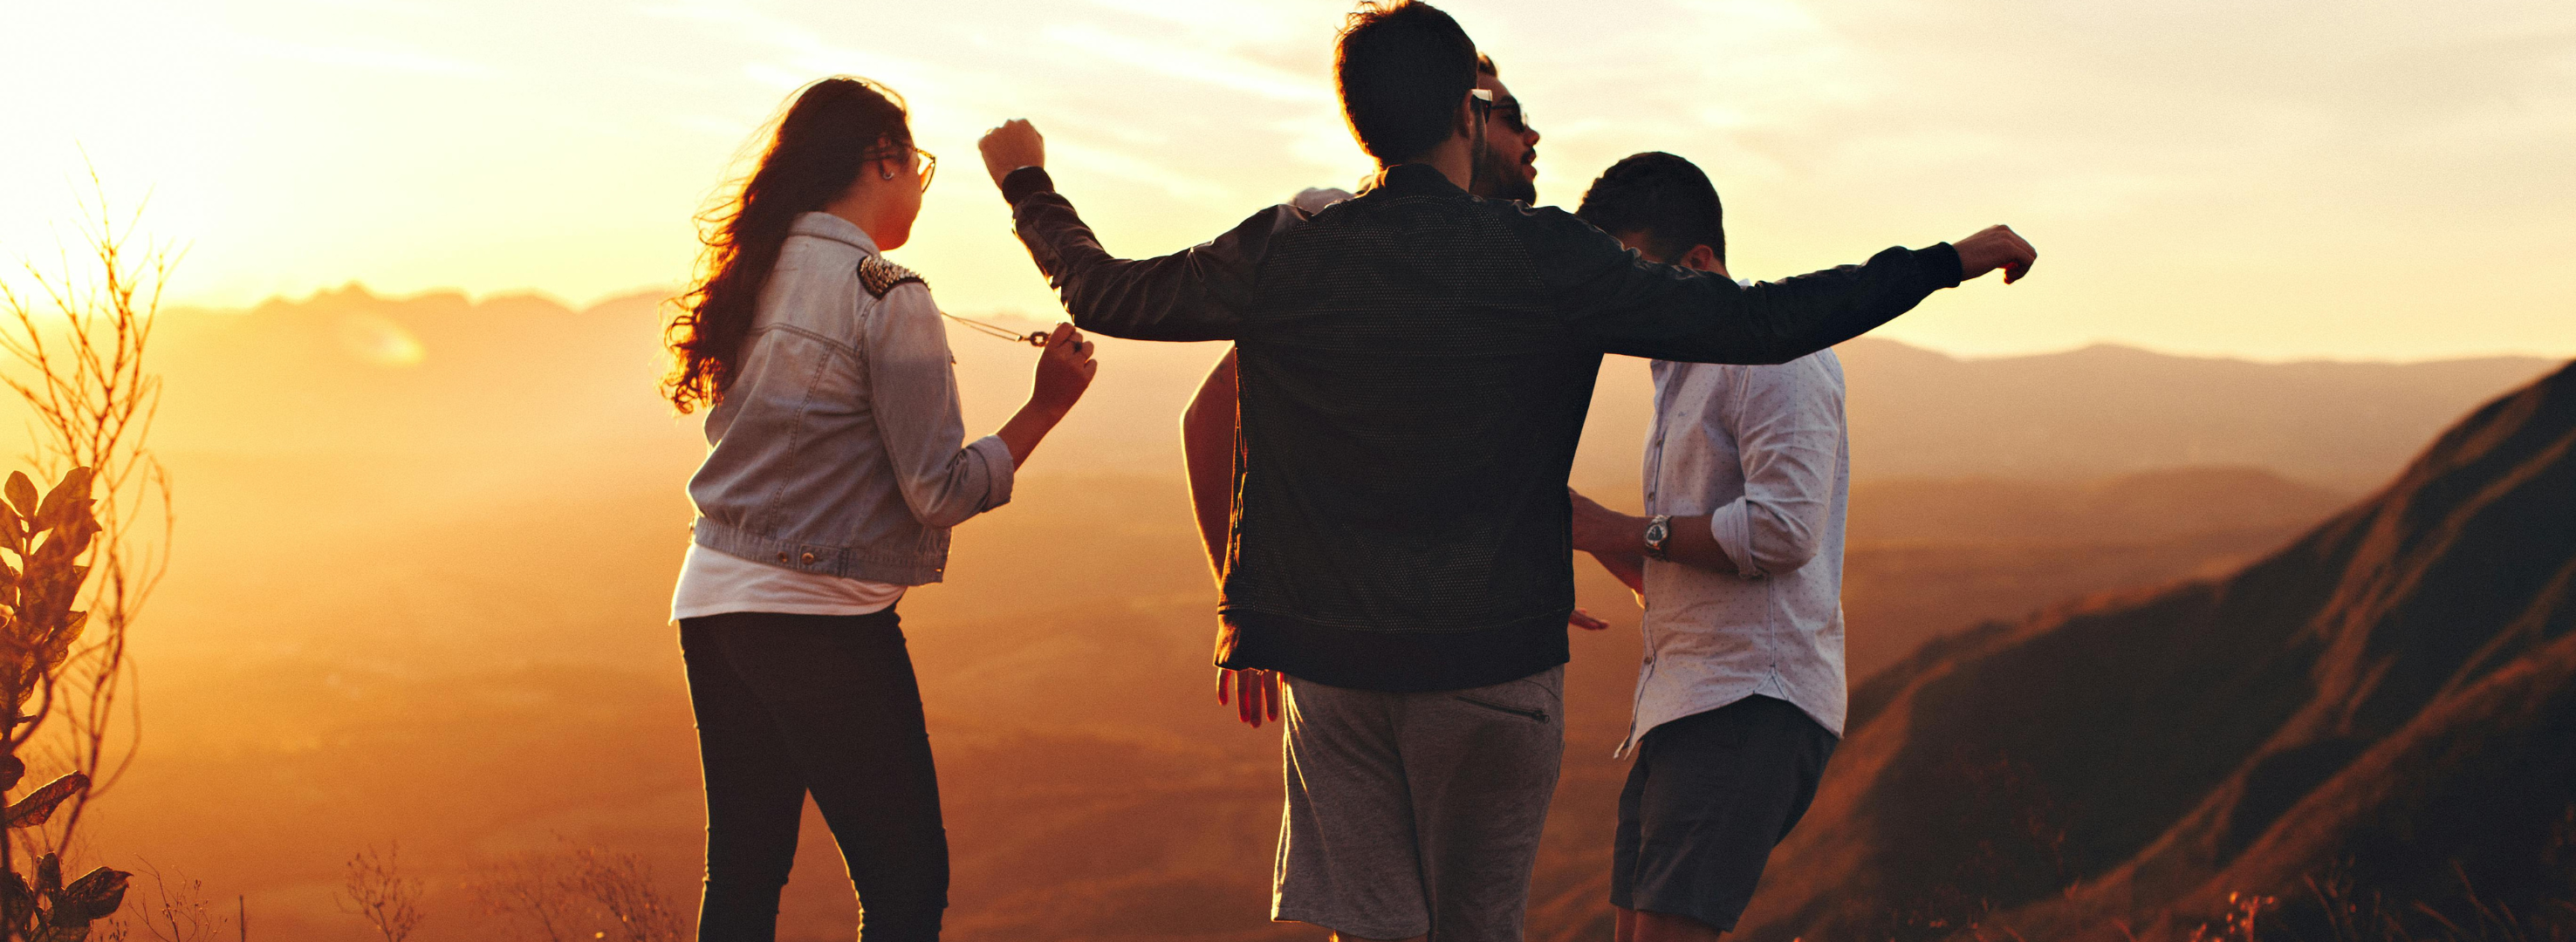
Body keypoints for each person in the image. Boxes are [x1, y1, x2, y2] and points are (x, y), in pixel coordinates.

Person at [977, 2, 2037, 939]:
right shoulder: (1547, 258)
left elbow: (1106, 293)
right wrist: (1946, 262)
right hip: (1491, 663)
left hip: (1334, 666)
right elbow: (1763, 320)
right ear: (1467, 113)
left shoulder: (1289, 249)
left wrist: (1029, 185)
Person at [661, 76, 1097, 942]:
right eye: (918, 166)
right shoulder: (889, 294)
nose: (920, 187)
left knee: (745, 872)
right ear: (884, 159)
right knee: (904, 884)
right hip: (819, 617)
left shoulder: (756, 270)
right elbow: (937, 491)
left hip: (711, 603)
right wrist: (1046, 406)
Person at [1565, 152, 1847, 942]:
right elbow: (1690, 580)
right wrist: (1588, 534)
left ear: (1697, 264)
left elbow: (1783, 532)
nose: (1621, 305)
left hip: (1751, 702)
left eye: (1634, 276)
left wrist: (1612, 528)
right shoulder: (1680, 372)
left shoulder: (1774, 357)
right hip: (1683, 703)